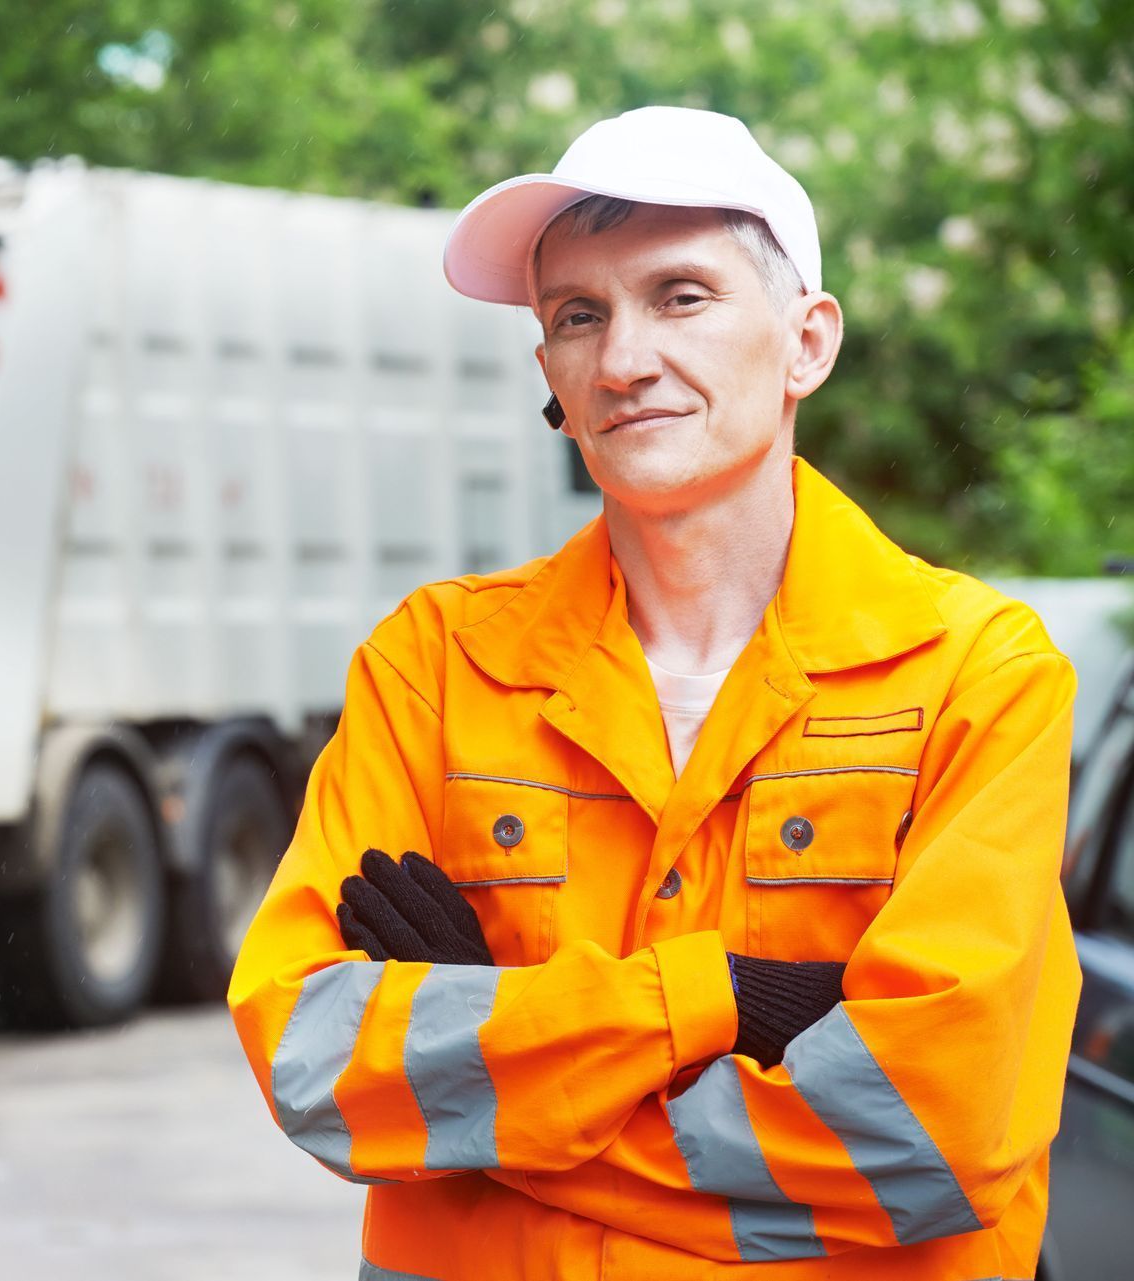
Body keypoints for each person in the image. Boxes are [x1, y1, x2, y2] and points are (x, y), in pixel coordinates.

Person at [228, 106, 1077, 1280]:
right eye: (579, 315)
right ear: (550, 377)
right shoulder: (430, 666)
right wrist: (717, 997)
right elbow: (314, 1065)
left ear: (806, 344)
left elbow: (932, 1132)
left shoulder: (978, 676)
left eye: (681, 296)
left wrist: (493, 1094)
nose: (623, 360)